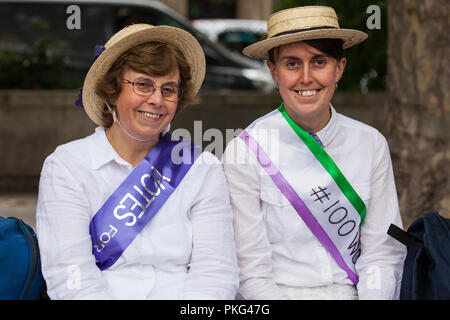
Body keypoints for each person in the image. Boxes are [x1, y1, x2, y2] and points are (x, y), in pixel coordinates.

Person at [36, 24, 239, 299]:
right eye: (143, 84)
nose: (156, 100)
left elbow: (216, 272)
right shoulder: (67, 167)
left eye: (169, 89)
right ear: (111, 90)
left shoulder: (202, 168)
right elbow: (69, 276)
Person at [222, 6, 406, 300]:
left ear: (339, 68)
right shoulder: (244, 152)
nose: (306, 77)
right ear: (273, 71)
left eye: (319, 62)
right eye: (292, 64)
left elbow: (382, 254)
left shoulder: (371, 144)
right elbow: (251, 273)